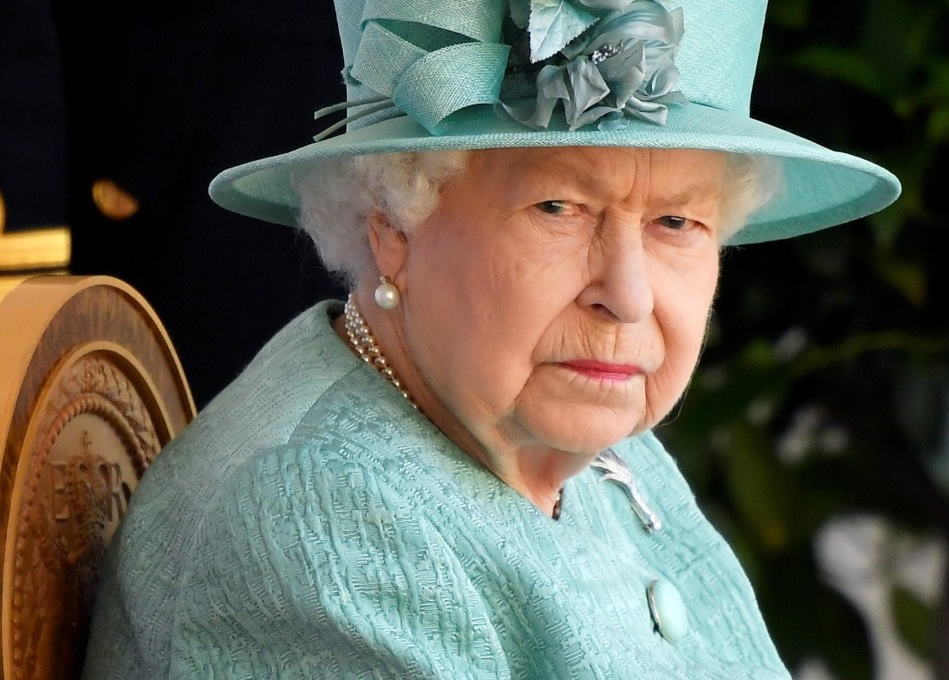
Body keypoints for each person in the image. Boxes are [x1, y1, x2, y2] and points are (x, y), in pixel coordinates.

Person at [82, 0, 901, 677]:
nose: (628, 298)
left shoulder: (580, 423)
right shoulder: (321, 525)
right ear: (391, 223)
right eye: (559, 208)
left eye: (677, 222)